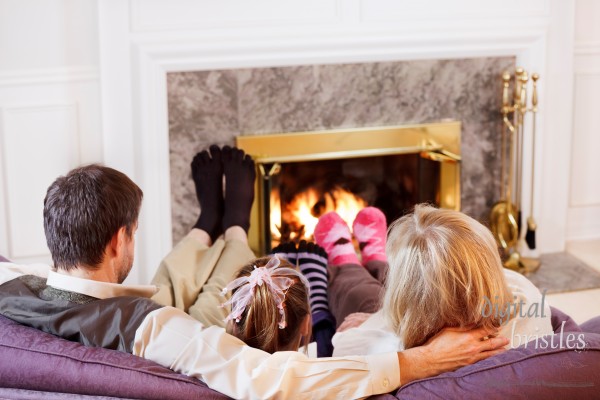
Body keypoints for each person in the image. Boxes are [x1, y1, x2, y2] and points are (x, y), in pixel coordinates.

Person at [0, 147, 508, 399]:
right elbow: (274, 378)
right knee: (209, 286)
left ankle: (221, 225)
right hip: (163, 328)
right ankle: (231, 227)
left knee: (176, 280)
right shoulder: (153, 326)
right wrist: (418, 362)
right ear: (120, 240)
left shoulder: (10, 290)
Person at [327, 204, 554, 357]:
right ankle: (375, 257)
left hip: (401, 319)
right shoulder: (527, 297)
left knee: (360, 293)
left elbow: (342, 345)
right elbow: (492, 278)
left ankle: (347, 260)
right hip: (422, 309)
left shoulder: (390, 350)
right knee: (421, 275)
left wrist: (377, 320)